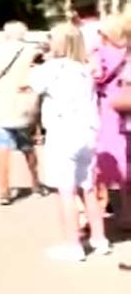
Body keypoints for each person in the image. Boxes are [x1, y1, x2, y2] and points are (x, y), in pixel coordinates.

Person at [30, 22, 108, 261]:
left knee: (64, 190)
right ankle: (99, 239)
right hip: (88, 131)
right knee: (88, 187)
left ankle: (73, 245)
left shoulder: (51, 68)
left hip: (63, 132)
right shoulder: (85, 69)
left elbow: (31, 88)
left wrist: (36, 62)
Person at [0, 21, 41, 205]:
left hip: (3, 105)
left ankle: (3, 191)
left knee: (2, 148)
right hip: (27, 105)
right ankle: (36, 183)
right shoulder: (33, 51)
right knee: (28, 147)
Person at [92, 15, 131, 228]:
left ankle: (110, 209)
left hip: (113, 111)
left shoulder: (103, 53)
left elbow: (96, 76)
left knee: (111, 162)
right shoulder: (125, 54)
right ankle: (126, 212)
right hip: (125, 112)